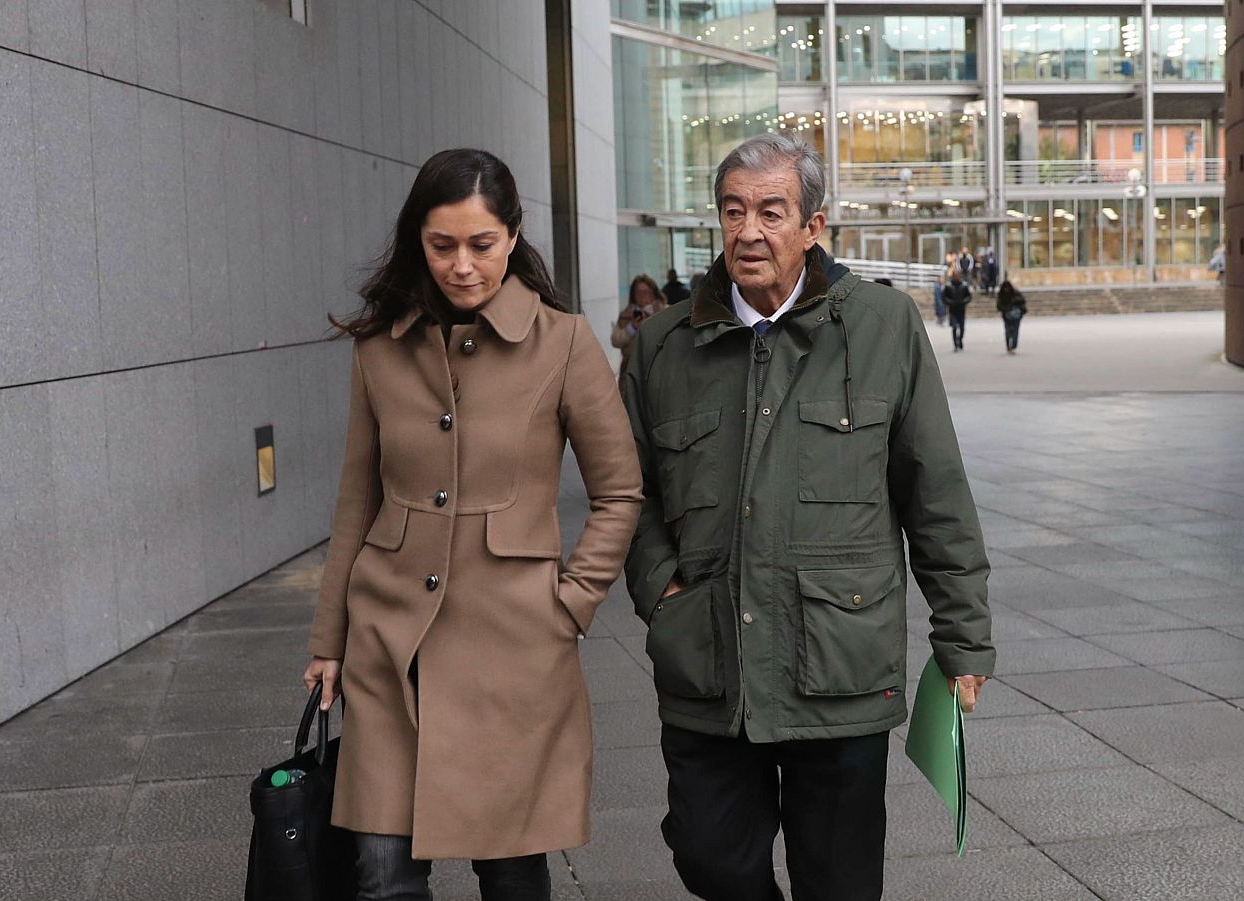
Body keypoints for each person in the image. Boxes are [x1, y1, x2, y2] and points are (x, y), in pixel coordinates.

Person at [619, 133, 994, 901]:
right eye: (732, 210)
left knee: (840, 881)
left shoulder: (882, 325)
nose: (748, 231)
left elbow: (935, 488)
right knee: (709, 855)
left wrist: (963, 636)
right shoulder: (661, 345)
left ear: (814, 226)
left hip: (838, 661)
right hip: (709, 658)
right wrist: (661, 590)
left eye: (770, 210)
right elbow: (631, 493)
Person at [305, 148, 644, 900]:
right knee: (381, 874)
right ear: (417, 240)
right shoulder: (378, 350)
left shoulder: (564, 343)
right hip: (389, 641)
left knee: (512, 870)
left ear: (514, 235)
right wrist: (329, 636)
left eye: (481, 244)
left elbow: (620, 492)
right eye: (442, 244)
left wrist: (571, 605)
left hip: (515, 649)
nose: (462, 265)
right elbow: (356, 500)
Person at [611, 274, 668, 376]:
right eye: (638, 292)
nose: (642, 296)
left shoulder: (665, 312)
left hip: (659, 370)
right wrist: (632, 327)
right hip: (631, 371)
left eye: (645, 292)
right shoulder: (626, 314)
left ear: (653, 293)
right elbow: (616, 341)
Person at [943, 268, 972, 351]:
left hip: (961, 310)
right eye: (954, 276)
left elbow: (969, 296)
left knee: (962, 328)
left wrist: (964, 301)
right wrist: (950, 302)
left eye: (957, 276)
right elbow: (944, 297)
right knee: (954, 327)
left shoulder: (964, 285)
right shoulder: (948, 286)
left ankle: (960, 339)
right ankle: (955, 344)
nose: (956, 277)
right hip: (952, 310)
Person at [997, 278, 1027, 353]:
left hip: (1016, 315)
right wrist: (1005, 309)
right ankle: (1008, 346)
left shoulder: (1016, 294)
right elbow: (999, 306)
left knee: (1015, 331)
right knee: (1008, 331)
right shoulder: (1001, 295)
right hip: (1006, 315)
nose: (1006, 290)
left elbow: (1022, 300)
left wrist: (1014, 302)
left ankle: (1013, 345)